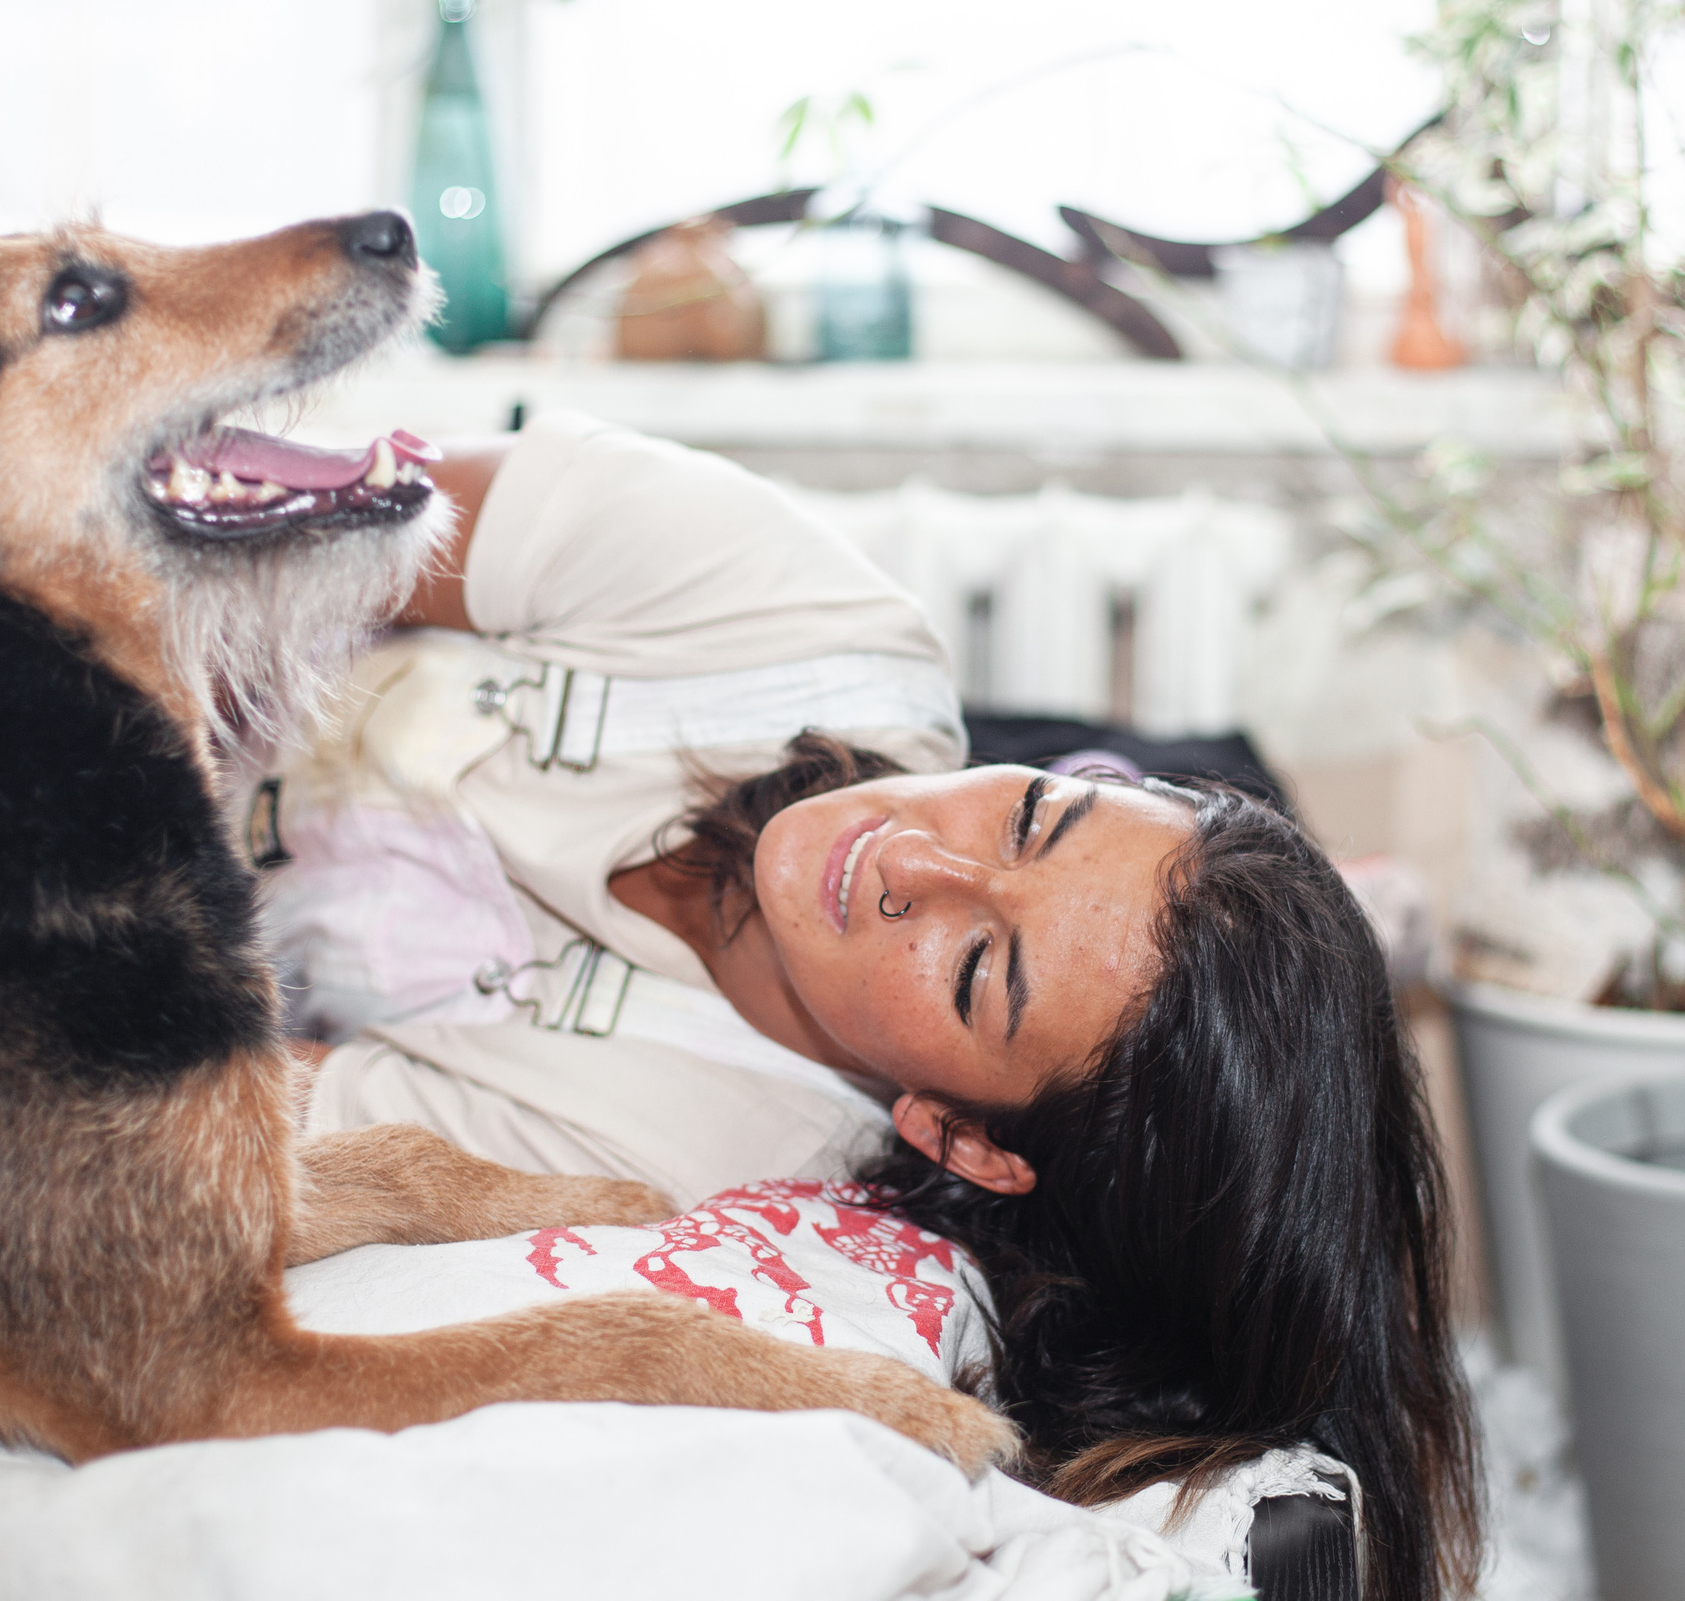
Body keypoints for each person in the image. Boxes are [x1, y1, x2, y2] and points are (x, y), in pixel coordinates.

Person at [262, 410, 1479, 1601]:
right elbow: (270, 515)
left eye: (976, 971)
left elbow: (243, 1091)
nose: (910, 859)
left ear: (957, 1135)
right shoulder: (800, 617)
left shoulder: (694, 1145)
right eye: (1030, 817)